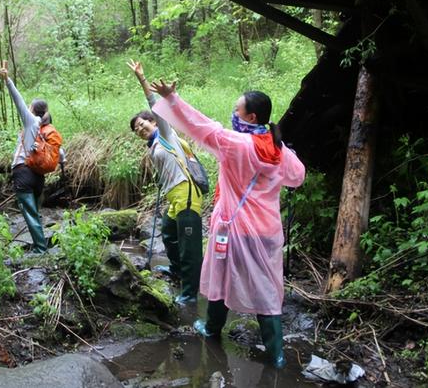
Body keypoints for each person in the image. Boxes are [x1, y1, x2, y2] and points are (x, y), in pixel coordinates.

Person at [150, 79, 305, 368]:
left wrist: (172, 99)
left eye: (237, 109)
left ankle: (211, 329)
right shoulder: (279, 150)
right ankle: (277, 355)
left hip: (233, 229)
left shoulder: (236, 144)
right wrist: (282, 150)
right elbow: (297, 176)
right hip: (267, 233)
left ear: (251, 117)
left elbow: (202, 126)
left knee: (220, 277)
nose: (232, 113)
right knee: (267, 289)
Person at [128, 60, 203, 305]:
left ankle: (191, 293)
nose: (140, 129)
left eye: (142, 124)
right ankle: (178, 271)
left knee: (189, 247)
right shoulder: (155, 147)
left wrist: (142, 79)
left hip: (187, 194)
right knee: (169, 233)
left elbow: (157, 107)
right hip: (174, 197)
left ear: (153, 122)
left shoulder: (166, 134)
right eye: (137, 130)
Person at [0, 61, 52, 253]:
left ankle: (40, 249)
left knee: (29, 213)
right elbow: (59, 152)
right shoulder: (46, 128)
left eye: (29, 106)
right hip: (38, 175)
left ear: (33, 110)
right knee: (35, 212)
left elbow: (17, 100)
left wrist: (8, 81)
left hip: (23, 171)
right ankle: (42, 244)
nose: (26, 108)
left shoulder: (31, 122)